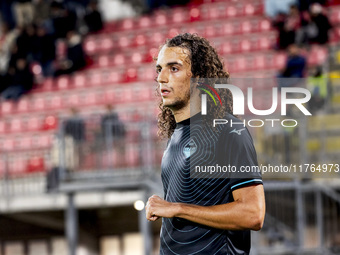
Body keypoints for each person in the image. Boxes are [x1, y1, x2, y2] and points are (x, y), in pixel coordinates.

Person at [145, 33, 265, 254]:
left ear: (198, 78)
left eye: (173, 68)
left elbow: (253, 214)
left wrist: (177, 208)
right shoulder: (175, 137)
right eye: (159, 69)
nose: (162, 78)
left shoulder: (228, 130)